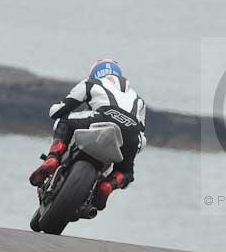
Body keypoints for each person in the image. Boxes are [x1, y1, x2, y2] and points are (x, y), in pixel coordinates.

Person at [29, 59, 147, 211]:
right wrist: (130, 148)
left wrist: (55, 107)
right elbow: (141, 140)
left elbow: (57, 112)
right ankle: (108, 185)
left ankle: (53, 158)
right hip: (131, 134)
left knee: (64, 119)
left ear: (95, 72)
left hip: (101, 118)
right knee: (126, 173)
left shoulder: (91, 83)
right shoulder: (139, 100)